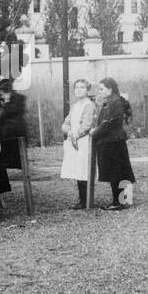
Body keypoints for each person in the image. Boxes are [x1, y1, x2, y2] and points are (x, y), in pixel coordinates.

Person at [89, 77, 135, 210]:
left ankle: (118, 202)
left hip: (112, 141)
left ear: (110, 89)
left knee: (115, 172)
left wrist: (94, 133)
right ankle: (123, 200)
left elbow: (109, 123)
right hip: (114, 140)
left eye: (101, 89)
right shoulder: (112, 100)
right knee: (120, 170)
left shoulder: (115, 102)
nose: (99, 91)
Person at [60, 78, 95, 209]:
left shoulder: (89, 105)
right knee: (77, 169)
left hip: (84, 141)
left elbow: (87, 125)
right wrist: (69, 132)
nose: (79, 90)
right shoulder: (75, 106)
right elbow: (66, 123)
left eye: (82, 87)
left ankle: (87, 200)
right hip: (73, 140)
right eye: (77, 88)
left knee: (84, 169)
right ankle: (82, 199)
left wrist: (76, 135)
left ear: (87, 90)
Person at [0, 79, 28, 170]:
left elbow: (4, 115)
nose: (2, 96)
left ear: (7, 92)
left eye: (2, 94)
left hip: (11, 130)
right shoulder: (19, 98)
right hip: (19, 128)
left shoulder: (10, 102)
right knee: (19, 153)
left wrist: (5, 104)